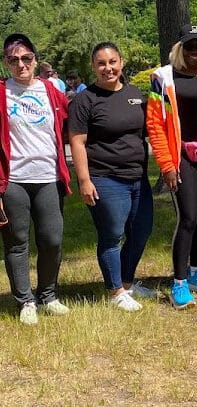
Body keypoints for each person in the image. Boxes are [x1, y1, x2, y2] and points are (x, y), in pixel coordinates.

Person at [69, 42, 155, 311]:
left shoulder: (134, 94)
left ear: (121, 62)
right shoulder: (85, 100)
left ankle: (127, 283)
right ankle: (115, 291)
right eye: (101, 63)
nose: (108, 68)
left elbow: (149, 131)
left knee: (140, 232)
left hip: (138, 177)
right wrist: (84, 180)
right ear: (94, 67)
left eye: (112, 62)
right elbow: (77, 141)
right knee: (112, 234)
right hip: (105, 178)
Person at [147, 24, 197, 309]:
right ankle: (178, 283)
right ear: (179, 48)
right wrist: (167, 165)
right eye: (189, 46)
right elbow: (155, 125)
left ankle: (196, 273)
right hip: (182, 158)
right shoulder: (163, 78)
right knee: (188, 218)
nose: (195, 51)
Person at [1, 33, 71, 324]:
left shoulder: (51, 92)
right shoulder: (2, 93)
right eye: (13, 60)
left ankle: (48, 294)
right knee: (17, 242)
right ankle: (25, 301)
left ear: (35, 59)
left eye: (26, 58)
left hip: (48, 177)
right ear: (6, 63)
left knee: (52, 239)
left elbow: (69, 129)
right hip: (13, 179)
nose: (21, 64)